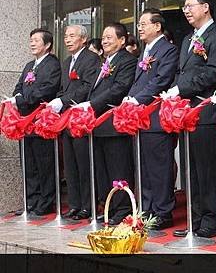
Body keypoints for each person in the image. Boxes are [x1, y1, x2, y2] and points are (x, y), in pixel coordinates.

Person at [166, 0, 216, 238]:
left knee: (207, 168)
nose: (186, 10)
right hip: (185, 111)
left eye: (190, 5)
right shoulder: (187, 39)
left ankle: (211, 220)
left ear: (206, 7)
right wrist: (175, 90)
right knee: (190, 168)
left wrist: (181, 89)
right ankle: (196, 218)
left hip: (205, 109)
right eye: (184, 6)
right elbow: (182, 72)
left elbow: (213, 72)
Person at [77, 23, 137, 225]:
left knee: (119, 168)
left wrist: (92, 104)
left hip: (113, 124)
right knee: (103, 170)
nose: (104, 40)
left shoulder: (127, 61)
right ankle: (110, 206)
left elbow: (119, 88)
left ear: (122, 40)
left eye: (110, 37)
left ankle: (123, 209)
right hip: (97, 125)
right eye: (103, 37)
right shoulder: (105, 61)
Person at [125, 8, 179, 230]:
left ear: (157, 26)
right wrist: (129, 98)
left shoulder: (168, 50)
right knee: (144, 168)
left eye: (144, 23)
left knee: (159, 167)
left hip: (156, 116)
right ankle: (147, 210)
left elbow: (161, 79)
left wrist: (137, 99)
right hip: (140, 117)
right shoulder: (144, 52)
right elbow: (140, 81)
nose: (139, 27)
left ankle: (163, 211)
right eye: (139, 24)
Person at [47, 25, 100, 220]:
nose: (67, 40)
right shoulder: (67, 61)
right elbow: (62, 88)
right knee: (70, 164)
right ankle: (75, 204)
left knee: (84, 162)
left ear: (83, 39)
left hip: (81, 117)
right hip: (66, 118)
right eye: (66, 36)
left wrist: (64, 101)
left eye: (72, 36)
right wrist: (59, 102)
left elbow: (88, 87)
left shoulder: (91, 59)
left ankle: (87, 205)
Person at [10, 29, 61, 216]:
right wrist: (17, 97)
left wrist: (23, 100)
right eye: (31, 40)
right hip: (24, 120)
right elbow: (18, 86)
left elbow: (47, 90)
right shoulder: (30, 65)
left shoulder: (52, 64)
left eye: (36, 40)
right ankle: (30, 201)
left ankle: (46, 202)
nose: (32, 43)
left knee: (44, 162)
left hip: (41, 119)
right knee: (28, 163)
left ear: (47, 45)